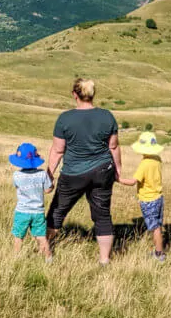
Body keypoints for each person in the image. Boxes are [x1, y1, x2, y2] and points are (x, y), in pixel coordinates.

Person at [45, 78, 122, 265]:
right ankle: (104, 260)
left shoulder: (65, 118)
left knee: (57, 212)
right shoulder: (107, 116)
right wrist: (118, 171)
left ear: (74, 95)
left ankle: (45, 252)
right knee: (102, 214)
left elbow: (57, 150)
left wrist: (49, 174)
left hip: (73, 173)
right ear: (93, 95)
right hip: (103, 171)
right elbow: (113, 147)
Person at [117, 131, 167, 262]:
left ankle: (159, 254)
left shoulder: (144, 164)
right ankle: (159, 249)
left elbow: (133, 182)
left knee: (154, 228)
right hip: (159, 197)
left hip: (148, 199)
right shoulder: (157, 159)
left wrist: (117, 179)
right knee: (158, 225)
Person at [9, 142, 54, 261]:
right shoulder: (42, 174)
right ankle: (49, 258)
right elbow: (48, 190)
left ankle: (16, 258)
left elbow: (17, 188)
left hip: (22, 211)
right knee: (41, 237)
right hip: (38, 212)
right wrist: (51, 184)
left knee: (18, 237)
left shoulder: (16, 175)